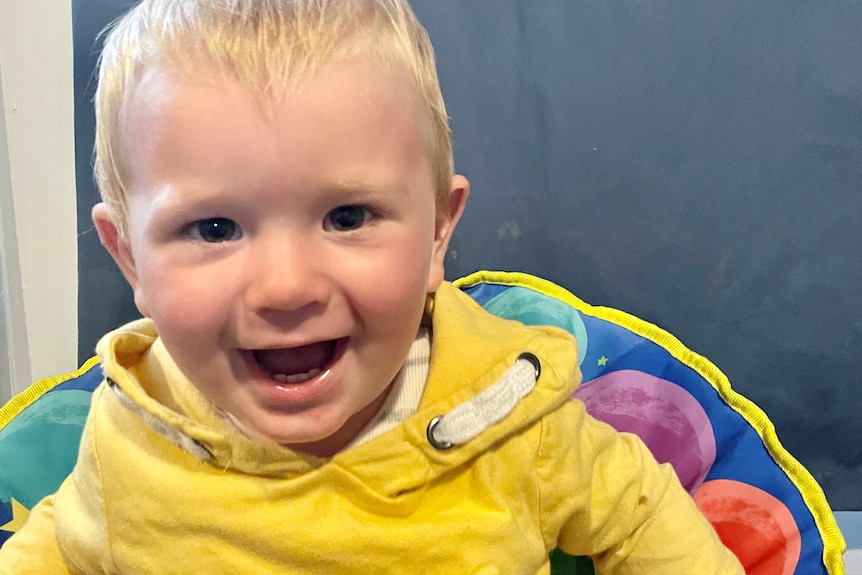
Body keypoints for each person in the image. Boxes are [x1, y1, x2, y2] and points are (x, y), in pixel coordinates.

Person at [0, 1, 744, 572]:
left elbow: (642, 513)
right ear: (129, 259)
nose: (285, 287)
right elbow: (52, 548)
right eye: (216, 229)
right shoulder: (125, 433)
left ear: (436, 234)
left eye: (347, 216)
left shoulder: (514, 420)